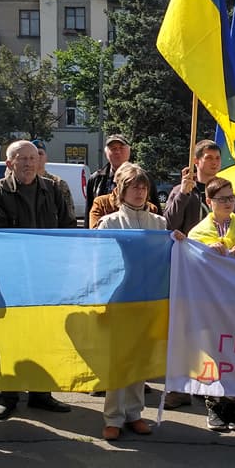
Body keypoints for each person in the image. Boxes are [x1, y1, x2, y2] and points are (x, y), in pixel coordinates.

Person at [0, 140, 77, 420]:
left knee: (45, 335)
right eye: (21, 159)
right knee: (10, 338)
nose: (28, 163)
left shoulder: (53, 189)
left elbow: (68, 227)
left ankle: (41, 393)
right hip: (13, 278)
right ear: (9, 163)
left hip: (48, 278)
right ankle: (8, 396)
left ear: (39, 161)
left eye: (32, 158)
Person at [162, 139, 232, 409]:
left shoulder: (224, 189)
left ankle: (212, 385)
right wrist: (182, 193)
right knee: (185, 331)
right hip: (190, 271)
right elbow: (168, 224)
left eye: (217, 157)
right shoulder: (184, 190)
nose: (214, 162)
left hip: (217, 273)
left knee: (213, 330)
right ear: (197, 161)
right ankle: (180, 388)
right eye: (209, 157)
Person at [188, 177, 235, 432]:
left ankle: (232, 405)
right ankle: (214, 405)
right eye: (222, 199)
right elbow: (189, 262)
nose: (228, 203)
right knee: (214, 353)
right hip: (210, 303)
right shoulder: (198, 232)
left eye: (231, 198)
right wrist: (207, 251)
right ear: (209, 202)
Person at [94, 163, 161, 441]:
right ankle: (113, 417)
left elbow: (164, 261)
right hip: (119, 300)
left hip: (148, 300)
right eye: (133, 186)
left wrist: (178, 240)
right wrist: (101, 301)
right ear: (121, 191)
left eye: (143, 186)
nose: (139, 191)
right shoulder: (109, 223)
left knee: (140, 358)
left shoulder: (159, 223)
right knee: (118, 360)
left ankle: (134, 413)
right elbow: (99, 265)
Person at [32, 140, 76, 227]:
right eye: (34, 154)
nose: (37, 157)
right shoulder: (22, 183)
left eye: (40, 153)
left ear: (46, 158)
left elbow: (69, 218)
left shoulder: (58, 184)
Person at [86, 134, 132, 217]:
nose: (117, 152)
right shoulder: (96, 179)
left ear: (129, 151)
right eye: (113, 149)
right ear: (106, 153)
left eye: (121, 148)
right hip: (103, 228)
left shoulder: (142, 178)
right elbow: (89, 212)